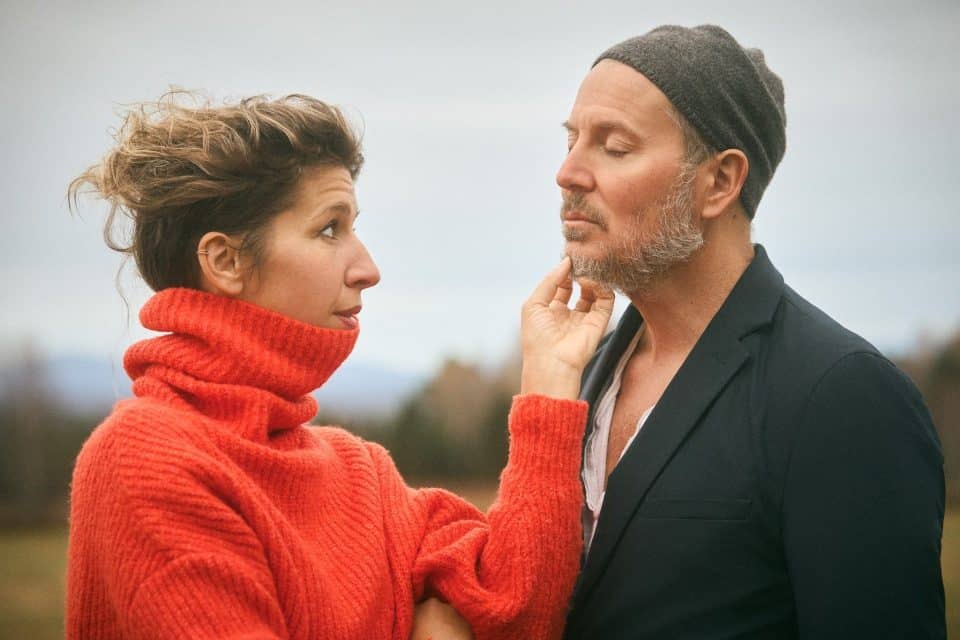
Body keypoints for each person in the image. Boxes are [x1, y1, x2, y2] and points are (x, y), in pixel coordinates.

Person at [65, 93, 614, 639]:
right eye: (330, 229)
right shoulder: (147, 460)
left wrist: (549, 380)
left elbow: (516, 612)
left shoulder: (360, 473)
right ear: (226, 261)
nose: (368, 268)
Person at [555, 25, 946, 639]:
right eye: (572, 139)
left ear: (719, 182)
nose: (568, 172)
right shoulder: (579, 374)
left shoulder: (841, 395)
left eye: (615, 146)